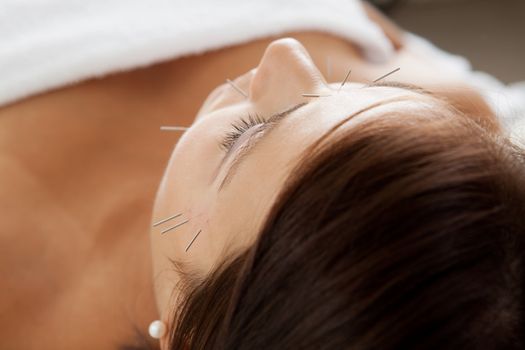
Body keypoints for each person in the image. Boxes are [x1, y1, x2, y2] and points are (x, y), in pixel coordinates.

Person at [0, 1, 523, 350]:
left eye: (245, 137)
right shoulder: (459, 117)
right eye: (348, 88)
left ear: (183, 331)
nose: (284, 55)